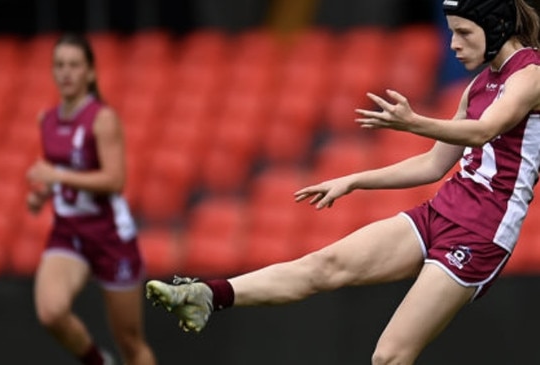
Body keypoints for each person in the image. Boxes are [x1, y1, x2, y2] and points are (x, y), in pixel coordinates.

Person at [145, 0, 540, 364]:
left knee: (389, 357)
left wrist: (412, 122)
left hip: (480, 233)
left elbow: (484, 131)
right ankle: (207, 295)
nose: (453, 43)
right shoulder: (479, 85)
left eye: (464, 33)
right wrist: (354, 180)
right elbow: (434, 165)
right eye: (451, 32)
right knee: (324, 265)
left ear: (497, 27)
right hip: (442, 211)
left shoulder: (531, 75)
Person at [26, 33, 157, 365]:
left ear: (90, 73)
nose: (66, 73)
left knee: (130, 341)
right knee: (50, 312)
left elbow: (114, 180)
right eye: (59, 65)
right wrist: (43, 194)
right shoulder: (48, 120)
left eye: (74, 65)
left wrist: (57, 177)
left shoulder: (102, 119)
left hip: (109, 235)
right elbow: (64, 172)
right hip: (69, 231)